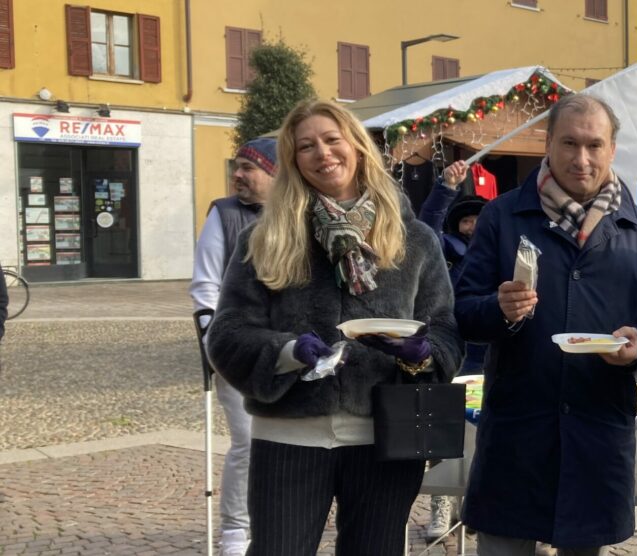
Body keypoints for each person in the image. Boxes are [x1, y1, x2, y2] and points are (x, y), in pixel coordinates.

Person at [206, 100, 462, 556]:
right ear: (294, 162)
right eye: (306, 147)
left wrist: (421, 354)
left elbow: (445, 330)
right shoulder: (266, 238)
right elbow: (226, 335)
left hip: (385, 435)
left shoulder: (414, 239)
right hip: (287, 434)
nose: (322, 153)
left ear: (358, 148)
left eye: (331, 140)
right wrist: (286, 352)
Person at [453, 94, 637, 556]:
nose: (582, 158)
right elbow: (461, 311)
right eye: (569, 143)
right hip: (517, 429)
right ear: (548, 145)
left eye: (595, 145)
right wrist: (499, 309)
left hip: (597, 428)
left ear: (612, 150)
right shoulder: (502, 216)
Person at [189, 137, 277, 556]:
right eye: (236, 166)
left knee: (285, 444)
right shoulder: (224, 215)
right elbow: (205, 287)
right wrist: (217, 348)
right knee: (248, 442)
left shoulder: (297, 214)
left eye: (248, 167)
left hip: (291, 352)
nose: (237, 175)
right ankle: (235, 534)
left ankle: (276, 522)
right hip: (238, 351)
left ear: (275, 174)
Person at [416, 159, 489, 539]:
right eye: (466, 220)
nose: (472, 225)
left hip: (490, 356)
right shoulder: (443, 250)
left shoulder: (500, 256)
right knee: (444, 432)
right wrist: (445, 189)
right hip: (453, 355)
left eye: (479, 218)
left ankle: (475, 505)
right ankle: (441, 508)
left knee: (487, 437)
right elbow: (425, 225)